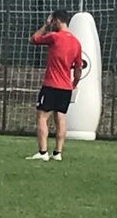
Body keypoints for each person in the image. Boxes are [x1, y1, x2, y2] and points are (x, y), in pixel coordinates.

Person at [27, 9, 83, 161]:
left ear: (56, 21)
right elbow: (78, 69)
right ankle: (58, 153)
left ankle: (43, 152)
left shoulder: (54, 37)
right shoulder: (76, 43)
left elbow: (34, 39)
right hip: (66, 87)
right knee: (61, 118)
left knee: (42, 116)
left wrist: (45, 25)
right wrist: (74, 84)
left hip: (51, 84)